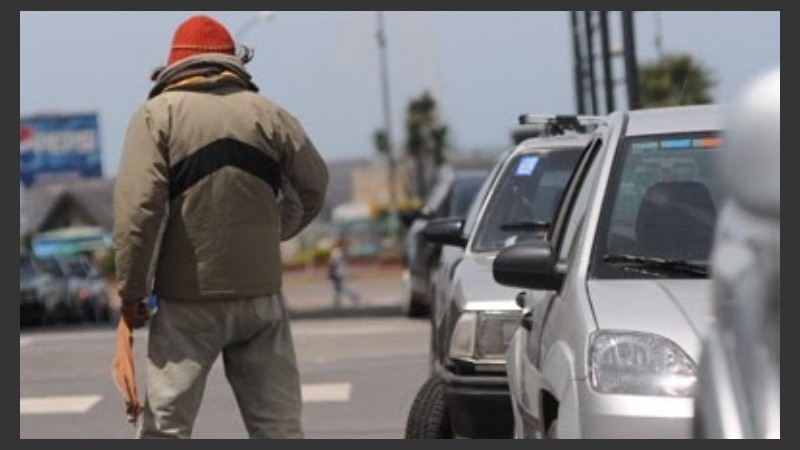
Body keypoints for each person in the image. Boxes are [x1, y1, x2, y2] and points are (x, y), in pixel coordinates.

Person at [113, 14, 328, 439]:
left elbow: (138, 215)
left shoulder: (157, 116)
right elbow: (314, 188)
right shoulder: (269, 114)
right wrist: (272, 233)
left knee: (167, 430)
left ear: (172, 68)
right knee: (279, 428)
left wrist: (132, 294)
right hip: (261, 301)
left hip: (185, 305)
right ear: (233, 61)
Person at [328, 242, 360, 308]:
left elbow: (334, 262)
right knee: (338, 287)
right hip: (340, 272)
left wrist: (331, 271)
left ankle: (353, 295)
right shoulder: (341, 251)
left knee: (339, 287)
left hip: (337, 272)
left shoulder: (336, 251)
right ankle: (338, 301)